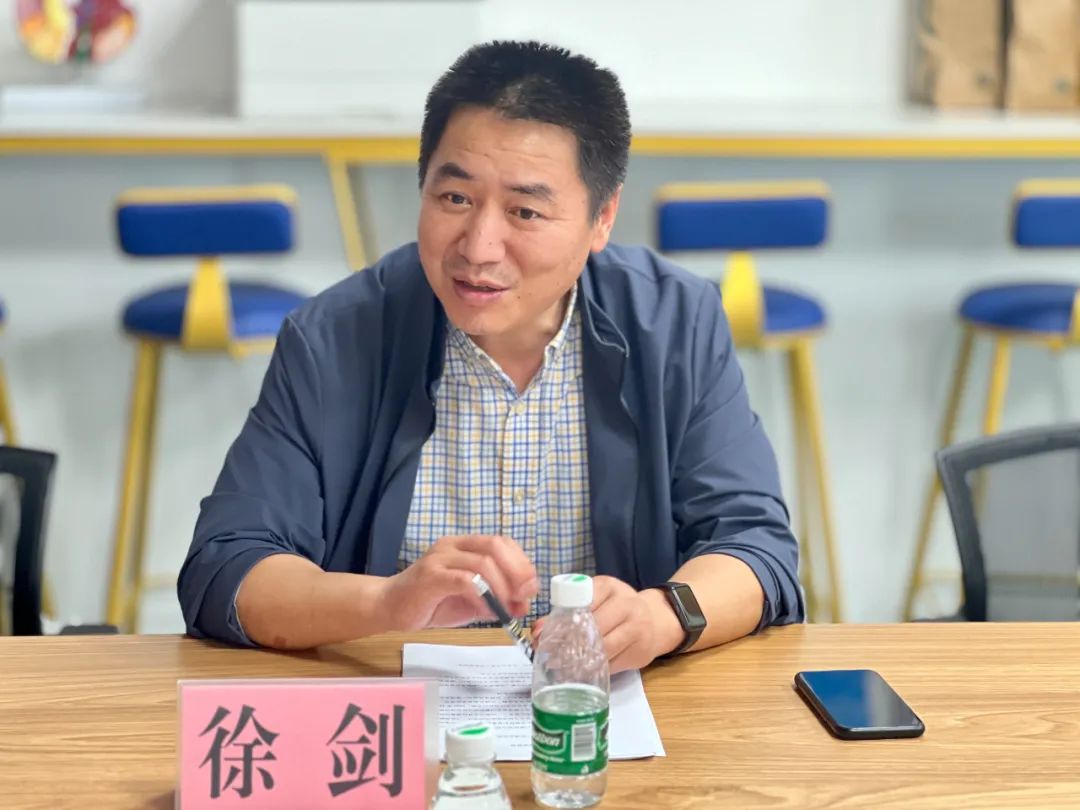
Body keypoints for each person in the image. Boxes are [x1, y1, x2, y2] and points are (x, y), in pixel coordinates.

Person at [178, 40, 804, 673]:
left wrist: (661, 617)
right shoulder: (335, 337)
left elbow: (755, 547)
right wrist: (387, 602)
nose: (478, 248)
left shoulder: (674, 324)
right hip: (395, 707)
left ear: (602, 217)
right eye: (455, 199)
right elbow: (227, 568)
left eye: (525, 211)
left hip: (603, 707)